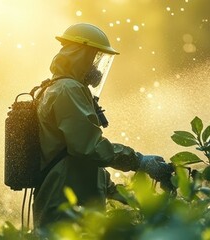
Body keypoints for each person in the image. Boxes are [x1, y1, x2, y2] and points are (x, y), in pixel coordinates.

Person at [33, 23, 174, 228]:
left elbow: (80, 160)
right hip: (63, 211)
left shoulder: (64, 87)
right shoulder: (67, 90)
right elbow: (89, 148)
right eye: (95, 58)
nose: (97, 66)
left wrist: (122, 194)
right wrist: (140, 161)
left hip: (71, 205)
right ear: (79, 55)